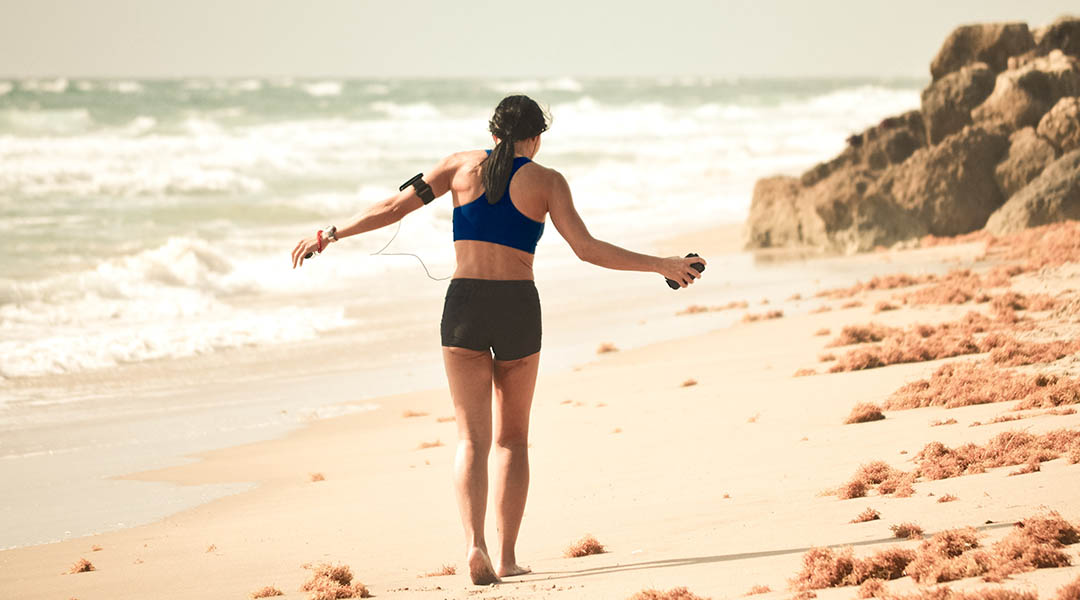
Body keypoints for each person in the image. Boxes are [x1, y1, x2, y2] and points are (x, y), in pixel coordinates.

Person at [291, 94, 706, 585]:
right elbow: (587, 249)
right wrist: (663, 264)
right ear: (535, 138)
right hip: (516, 308)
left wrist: (330, 234)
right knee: (512, 440)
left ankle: (474, 546)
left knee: (471, 439)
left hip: (463, 306)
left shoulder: (456, 167)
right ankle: (507, 557)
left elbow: (391, 208)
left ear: (492, 133)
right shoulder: (548, 182)